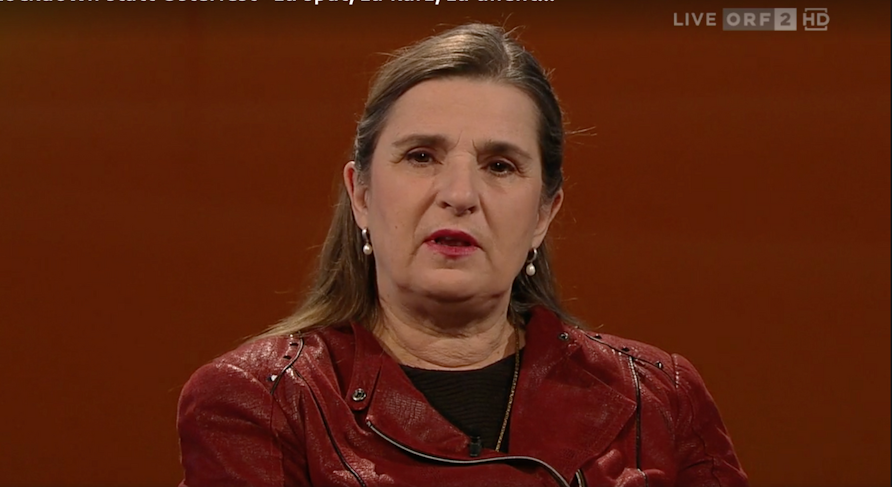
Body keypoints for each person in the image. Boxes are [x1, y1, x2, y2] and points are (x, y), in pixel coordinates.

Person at [176, 23, 748, 487]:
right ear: (361, 194)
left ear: (543, 213)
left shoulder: (660, 398)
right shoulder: (261, 401)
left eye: (500, 166)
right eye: (421, 156)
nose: (459, 194)